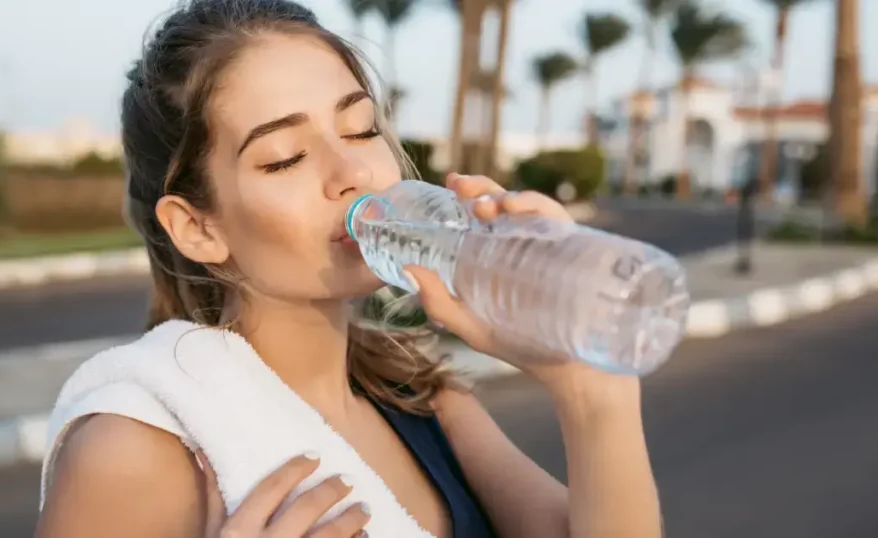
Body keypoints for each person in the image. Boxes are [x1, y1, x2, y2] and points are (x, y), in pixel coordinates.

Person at [34, 1, 663, 537]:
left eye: (360, 129)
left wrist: (588, 386)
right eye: (284, 158)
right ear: (199, 228)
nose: (354, 173)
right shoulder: (137, 451)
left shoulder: (424, 399)